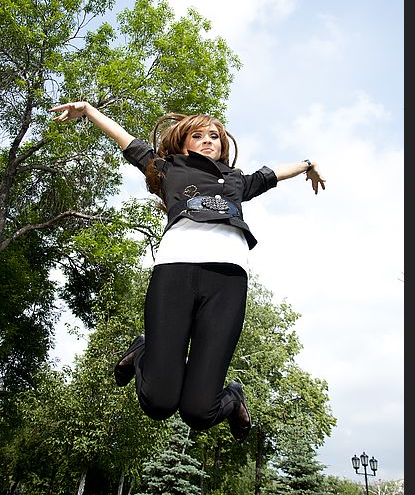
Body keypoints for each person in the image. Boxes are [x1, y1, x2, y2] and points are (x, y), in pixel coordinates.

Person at [50, 101, 326, 441]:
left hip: (227, 280)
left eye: (214, 135)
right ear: (182, 143)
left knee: (199, 411)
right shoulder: (167, 169)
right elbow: (127, 140)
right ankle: (143, 351)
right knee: (158, 403)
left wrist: (309, 165)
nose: (208, 140)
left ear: (224, 145)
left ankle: (233, 396)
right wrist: (89, 110)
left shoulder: (237, 180)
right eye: (198, 135)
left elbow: (272, 174)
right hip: (175, 271)